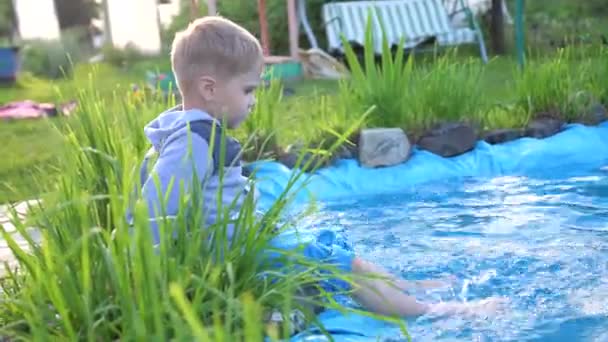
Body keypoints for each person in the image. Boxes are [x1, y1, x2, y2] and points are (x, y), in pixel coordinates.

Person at [137, 15, 507, 324]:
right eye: (248, 90)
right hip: (236, 252)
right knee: (341, 264)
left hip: (244, 241)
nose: (253, 101)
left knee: (328, 243)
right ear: (209, 88)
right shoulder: (194, 140)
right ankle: (434, 312)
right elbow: (153, 208)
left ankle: (409, 287)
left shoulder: (184, 132)